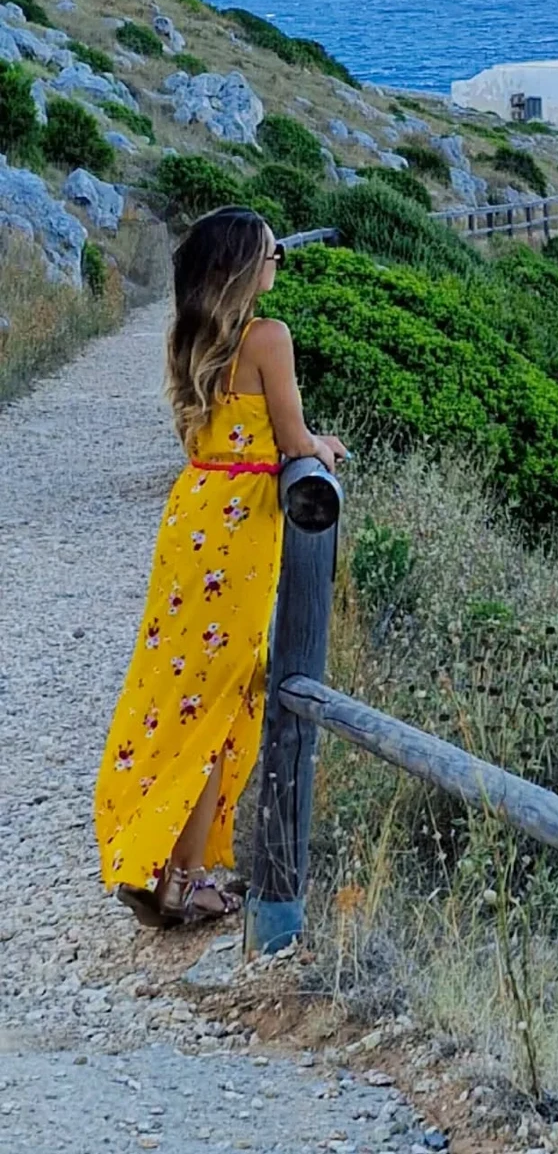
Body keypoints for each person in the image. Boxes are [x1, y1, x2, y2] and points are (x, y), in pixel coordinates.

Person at [94, 207, 346, 927]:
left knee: (176, 688)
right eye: (272, 254)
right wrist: (320, 451)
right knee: (224, 698)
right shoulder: (270, 338)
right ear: (244, 267)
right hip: (239, 533)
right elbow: (294, 437)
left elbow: (198, 431)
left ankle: (161, 858)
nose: (278, 265)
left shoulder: (189, 336)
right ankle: (186, 880)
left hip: (193, 514)